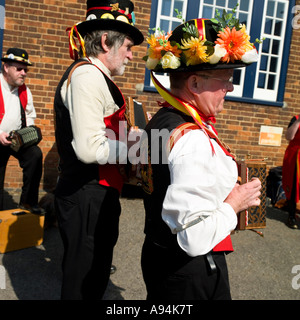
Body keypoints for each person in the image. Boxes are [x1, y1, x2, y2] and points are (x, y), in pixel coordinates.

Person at [140, 14, 262, 300]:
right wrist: (234, 203)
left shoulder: (163, 118)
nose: (230, 88)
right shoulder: (190, 136)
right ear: (194, 83)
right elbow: (192, 237)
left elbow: (160, 180)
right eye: (225, 80)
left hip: (159, 254)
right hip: (188, 272)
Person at [54, 0, 143, 300]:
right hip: (85, 195)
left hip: (96, 194)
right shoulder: (87, 75)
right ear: (106, 41)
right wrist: (136, 149)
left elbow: (100, 132)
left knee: (95, 278)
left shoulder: (94, 76)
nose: (132, 55)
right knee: (82, 286)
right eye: (128, 46)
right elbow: (90, 148)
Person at [0, 48, 44, 215]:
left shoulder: (25, 90)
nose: (24, 73)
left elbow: (30, 115)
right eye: (19, 69)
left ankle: (28, 202)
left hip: (16, 140)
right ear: (6, 67)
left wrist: (26, 134)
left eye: (26, 69)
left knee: (35, 155)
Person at [282, 115, 300, 229]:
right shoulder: (296, 119)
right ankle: (291, 216)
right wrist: (298, 121)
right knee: (293, 186)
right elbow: (289, 136)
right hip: (295, 157)